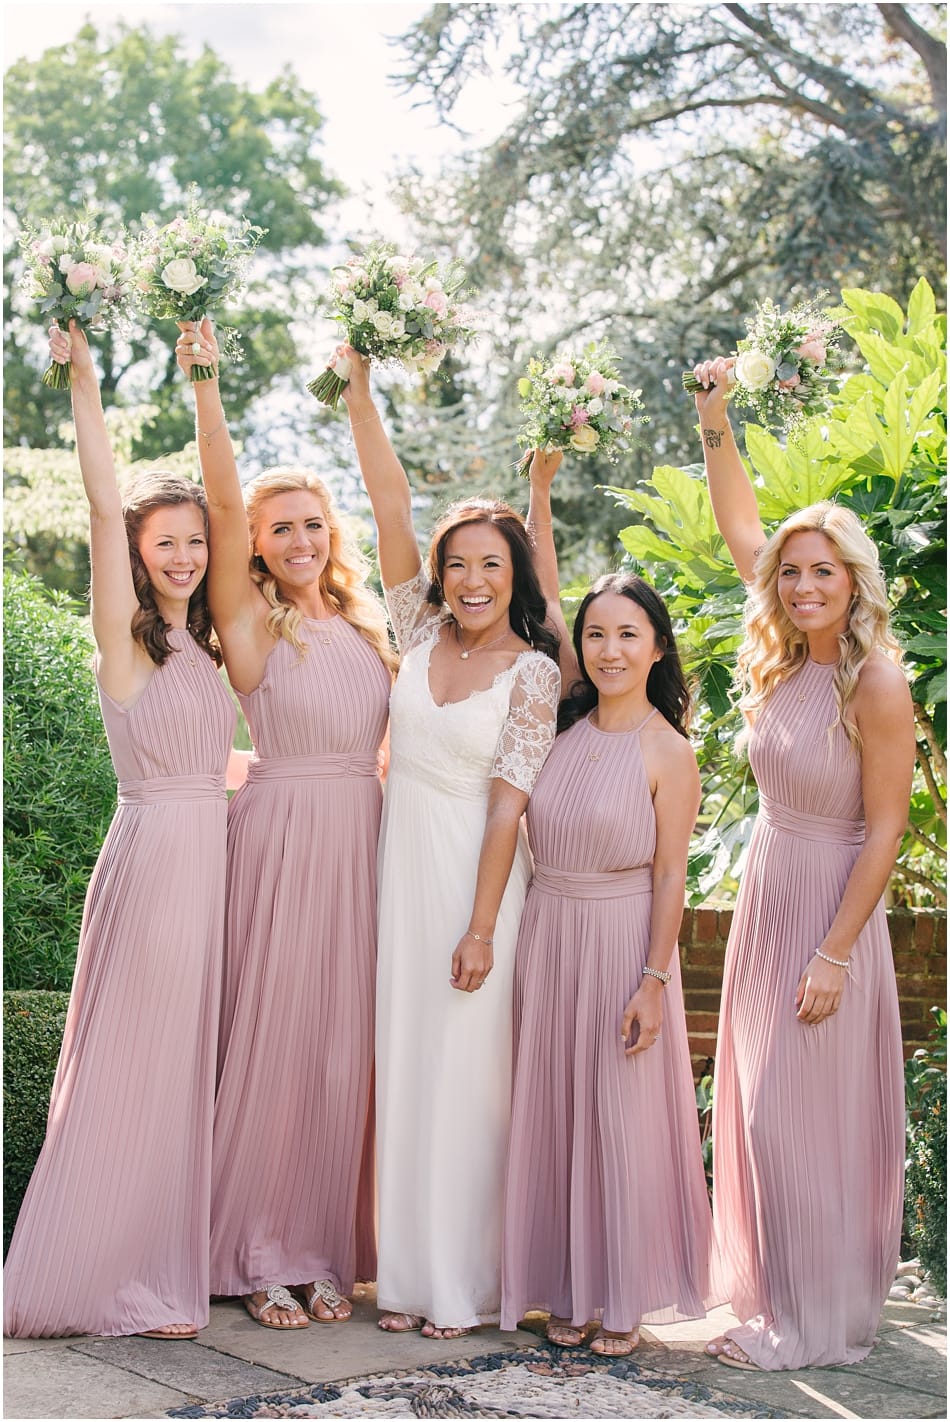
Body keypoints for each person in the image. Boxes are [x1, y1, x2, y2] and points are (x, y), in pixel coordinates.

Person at [4, 322, 236, 1339]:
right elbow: (103, 509)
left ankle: (149, 1266)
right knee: (133, 1063)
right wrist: (85, 385)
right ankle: (95, 1276)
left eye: (194, 541)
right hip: (154, 866)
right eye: (164, 543)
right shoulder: (124, 637)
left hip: (209, 858)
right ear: (140, 556)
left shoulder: (204, 643)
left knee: (181, 1071)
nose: (183, 557)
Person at [689, 356, 915, 1371]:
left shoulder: (874, 683)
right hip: (766, 898)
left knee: (797, 1116)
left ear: (852, 580)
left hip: (828, 910)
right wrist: (712, 421)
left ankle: (811, 1327)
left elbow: (885, 829)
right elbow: (742, 527)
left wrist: (831, 954)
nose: (801, 583)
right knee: (753, 1105)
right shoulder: (784, 656)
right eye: (791, 570)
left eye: (822, 570)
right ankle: (778, 1298)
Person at [337, 344, 561, 1339]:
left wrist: (480, 929)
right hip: (400, 875)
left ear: (512, 577)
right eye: (458, 563)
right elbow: (388, 506)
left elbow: (510, 806)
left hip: (479, 884)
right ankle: (408, 1275)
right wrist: (360, 393)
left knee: (469, 1075)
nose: (471, 579)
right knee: (408, 1061)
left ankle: (465, 1284)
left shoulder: (534, 674)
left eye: (491, 566)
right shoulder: (415, 630)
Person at [176, 322, 394, 1330]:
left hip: (364, 838)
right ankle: (257, 1249)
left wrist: (359, 391)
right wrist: (205, 383)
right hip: (282, 834)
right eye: (280, 529)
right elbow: (220, 500)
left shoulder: (362, 626)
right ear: (255, 545)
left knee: (339, 1049)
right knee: (275, 1037)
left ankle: (322, 1248)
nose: (299, 540)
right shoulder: (252, 617)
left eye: (312, 524)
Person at [499, 451, 716, 1356]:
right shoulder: (562, 726)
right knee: (553, 1113)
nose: (610, 649)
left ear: (657, 646)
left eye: (630, 634)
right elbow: (545, 599)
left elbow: (673, 876)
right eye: (597, 635)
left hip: (625, 939)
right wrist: (539, 495)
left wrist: (653, 981)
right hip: (549, 931)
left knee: (619, 1124)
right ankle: (568, 1289)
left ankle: (620, 1298)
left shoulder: (670, 752)